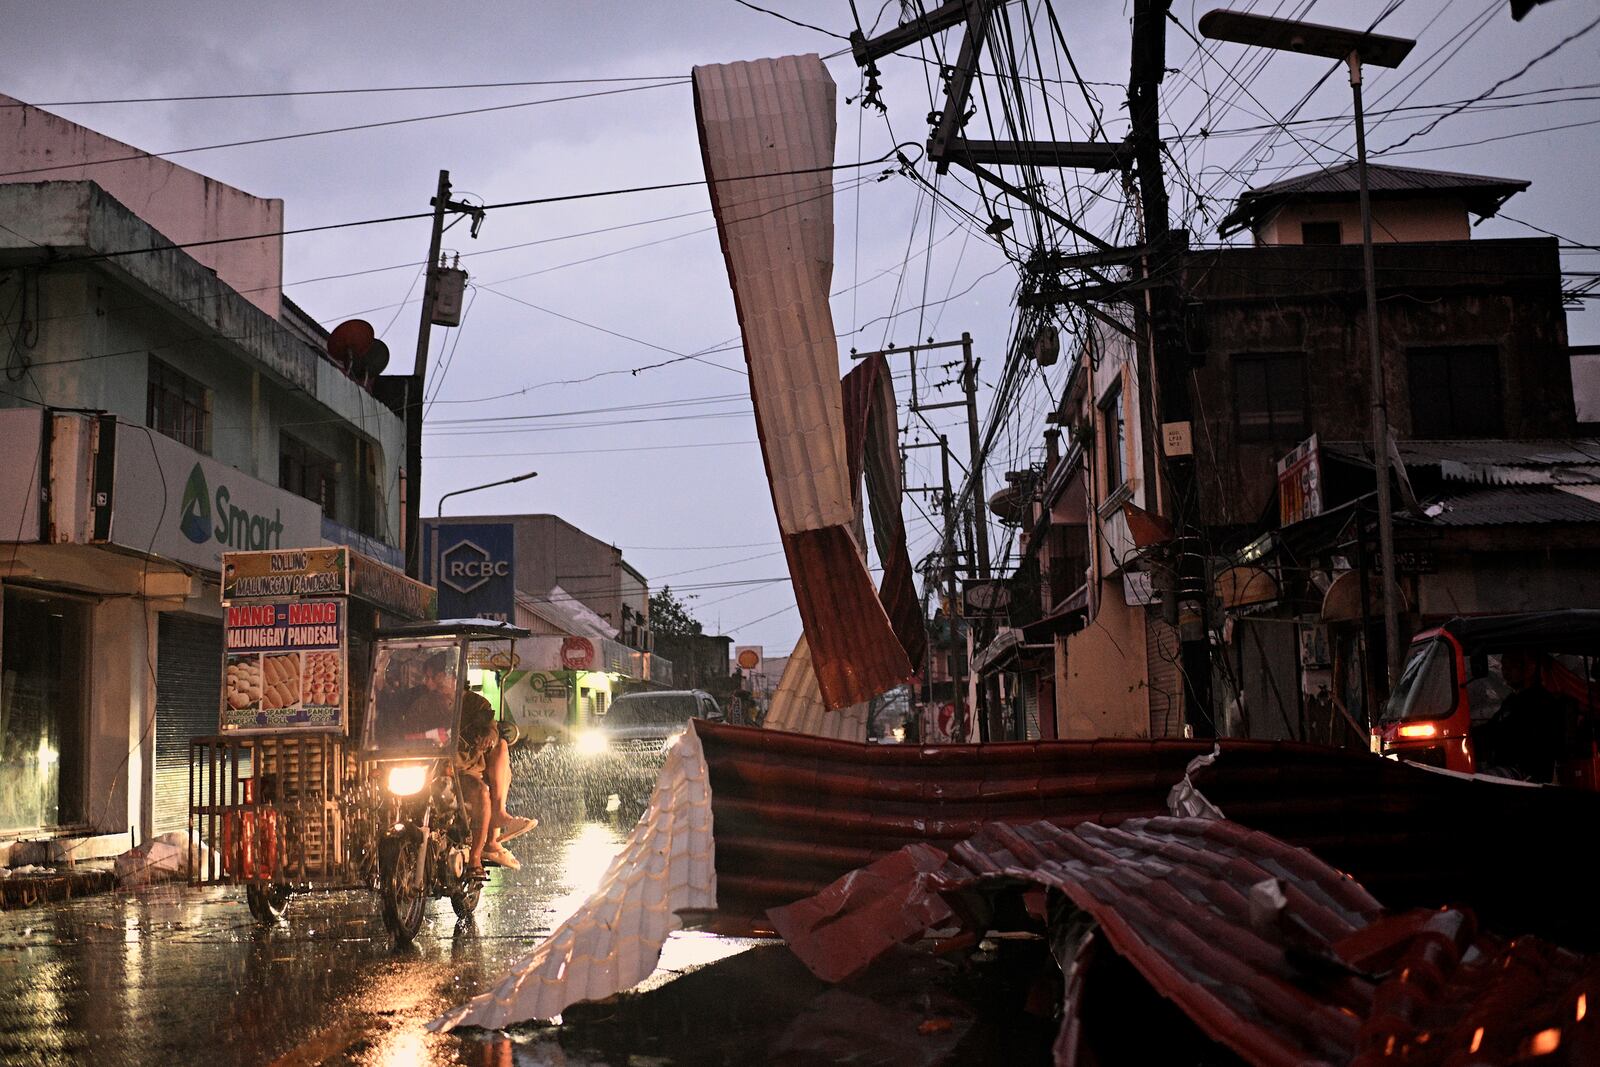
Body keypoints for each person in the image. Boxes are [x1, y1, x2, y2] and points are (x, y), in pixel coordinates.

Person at [437, 654, 536, 875]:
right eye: (429, 678)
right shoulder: (424, 703)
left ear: (453, 679)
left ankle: (474, 859)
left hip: (462, 769)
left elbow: (490, 727)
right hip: (428, 768)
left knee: (482, 791)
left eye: (435, 677)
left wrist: (487, 736)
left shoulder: (475, 703)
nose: (430, 683)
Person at [1474, 651, 1571, 783]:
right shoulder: (1512, 699)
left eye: (1511, 666)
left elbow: (1513, 733)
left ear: (1529, 668)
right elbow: (1493, 727)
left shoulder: (1540, 701)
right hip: (1506, 764)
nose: (1505, 672)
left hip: (1526, 771)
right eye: (1504, 666)